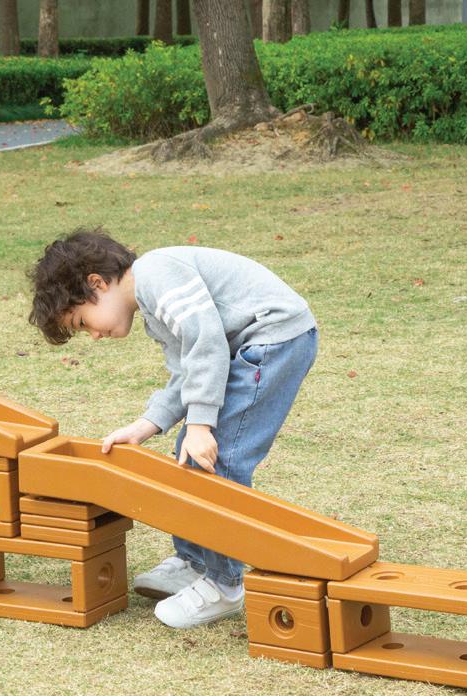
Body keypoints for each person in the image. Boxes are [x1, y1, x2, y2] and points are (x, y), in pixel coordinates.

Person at [28, 230, 318, 628]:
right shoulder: (153, 302)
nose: (93, 335)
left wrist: (201, 424)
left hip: (275, 339)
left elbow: (207, 342)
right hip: (254, 344)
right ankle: (195, 561)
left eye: (82, 322)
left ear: (97, 283)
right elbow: (187, 371)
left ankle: (224, 583)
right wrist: (146, 425)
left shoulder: (157, 275)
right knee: (190, 450)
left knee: (218, 460)